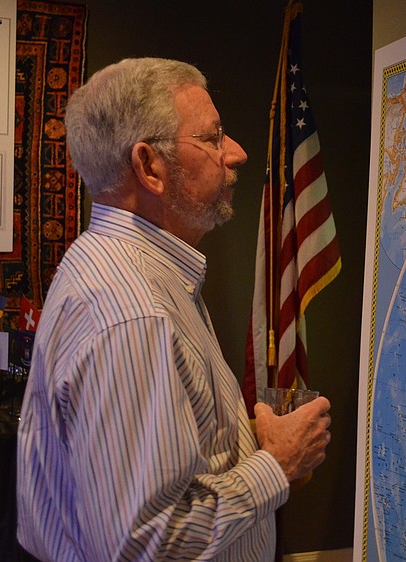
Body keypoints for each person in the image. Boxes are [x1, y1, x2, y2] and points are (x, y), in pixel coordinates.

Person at [16, 57, 332, 561]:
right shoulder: (133, 312)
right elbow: (146, 543)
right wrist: (276, 463)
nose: (237, 153)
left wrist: (242, 444)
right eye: (212, 138)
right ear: (149, 167)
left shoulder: (113, 264)